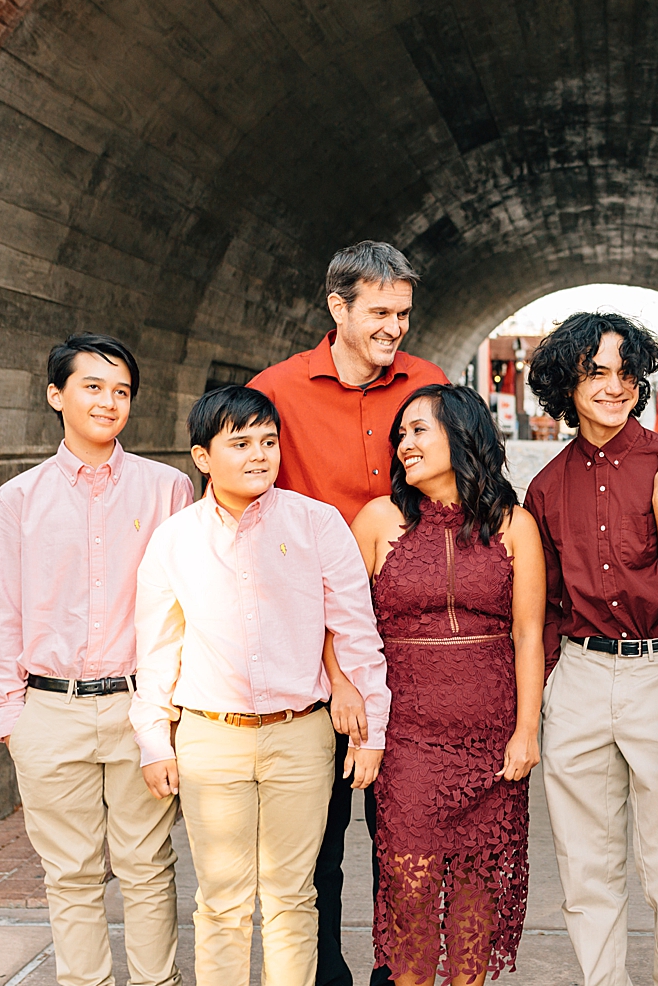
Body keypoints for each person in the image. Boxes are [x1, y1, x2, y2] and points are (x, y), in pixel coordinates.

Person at [131, 386, 389, 986]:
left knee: (293, 899)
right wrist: (155, 741)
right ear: (202, 456)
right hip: (209, 737)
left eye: (269, 442)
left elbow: (356, 631)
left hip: (300, 737)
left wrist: (371, 729)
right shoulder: (176, 539)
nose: (259, 455)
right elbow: (157, 647)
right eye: (240, 443)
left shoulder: (317, 524)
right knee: (220, 903)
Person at [250, 243, 447, 986]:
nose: (395, 327)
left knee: (408, 835)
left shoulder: (430, 386)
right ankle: (323, 973)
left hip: (418, 643)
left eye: (404, 313)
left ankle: (399, 973)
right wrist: (336, 666)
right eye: (380, 313)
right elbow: (260, 531)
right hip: (313, 651)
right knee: (319, 841)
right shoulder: (276, 392)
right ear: (337, 308)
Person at [0, 336, 194, 986]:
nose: (109, 401)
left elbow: (186, 609)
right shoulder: (16, 499)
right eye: (93, 386)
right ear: (57, 395)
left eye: (121, 390)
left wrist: (170, 711)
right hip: (50, 711)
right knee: (69, 874)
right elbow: (2, 612)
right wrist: (12, 717)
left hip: (141, 708)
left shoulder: (169, 490)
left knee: (148, 864)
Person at [524, 311, 658, 986]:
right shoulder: (546, 488)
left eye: (625, 373)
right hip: (578, 677)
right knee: (585, 867)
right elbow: (548, 606)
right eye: (595, 372)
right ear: (566, 383)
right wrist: (547, 695)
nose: (614, 387)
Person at [334, 385, 544, 986]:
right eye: (400, 434)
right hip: (408, 743)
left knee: (478, 901)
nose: (404, 445)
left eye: (418, 430)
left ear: (463, 433)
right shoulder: (379, 520)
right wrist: (346, 692)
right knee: (411, 896)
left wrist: (526, 731)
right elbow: (338, 622)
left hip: (490, 744)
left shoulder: (514, 525)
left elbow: (528, 635)